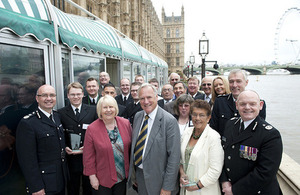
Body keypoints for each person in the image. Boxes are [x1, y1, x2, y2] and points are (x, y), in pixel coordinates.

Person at [220, 90, 282, 195]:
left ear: (260, 105)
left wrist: (234, 190)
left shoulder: (270, 134)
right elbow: (223, 155)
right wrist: (224, 180)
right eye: (243, 104)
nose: (247, 107)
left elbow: (265, 172)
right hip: (229, 187)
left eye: (252, 104)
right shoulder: (230, 124)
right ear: (236, 105)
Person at [128, 83, 180, 195]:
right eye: (142, 98)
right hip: (140, 177)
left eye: (149, 97)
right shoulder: (138, 116)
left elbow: (174, 157)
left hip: (160, 182)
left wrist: (167, 187)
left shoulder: (169, 121)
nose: (146, 102)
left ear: (157, 97)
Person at [16, 85, 68, 195]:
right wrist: (36, 187)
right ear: (37, 98)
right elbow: (27, 160)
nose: (49, 98)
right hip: (44, 184)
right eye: (44, 95)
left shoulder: (57, 116)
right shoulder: (28, 123)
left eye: (52, 95)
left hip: (60, 179)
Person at [83, 95, 132, 195]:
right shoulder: (92, 129)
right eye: (105, 107)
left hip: (122, 177)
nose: (108, 110)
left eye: (111, 107)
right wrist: (92, 177)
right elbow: (88, 156)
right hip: (102, 179)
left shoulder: (125, 123)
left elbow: (131, 149)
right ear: (100, 110)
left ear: (116, 108)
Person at [58, 82, 98, 195]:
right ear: (68, 95)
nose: (75, 97)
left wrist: (90, 146)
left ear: (83, 94)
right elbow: (60, 135)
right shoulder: (60, 113)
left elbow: (98, 132)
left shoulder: (92, 110)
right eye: (72, 94)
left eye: (78, 94)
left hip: (89, 157)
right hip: (71, 158)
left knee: (89, 188)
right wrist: (65, 146)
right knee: (72, 188)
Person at [180, 100, 224, 195]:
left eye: (202, 115)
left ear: (208, 118)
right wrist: (182, 174)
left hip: (204, 190)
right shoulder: (187, 132)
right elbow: (180, 159)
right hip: (185, 188)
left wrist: (197, 186)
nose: (197, 118)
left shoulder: (213, 137)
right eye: (194, 114)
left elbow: (215, 170)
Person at [210, 69, 266, 136]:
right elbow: (213, 129)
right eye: (231, 82)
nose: (234, 85)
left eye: (238, 81)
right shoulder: (220, 102)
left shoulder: (257, 104)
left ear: (246, 82)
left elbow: (259, 130)